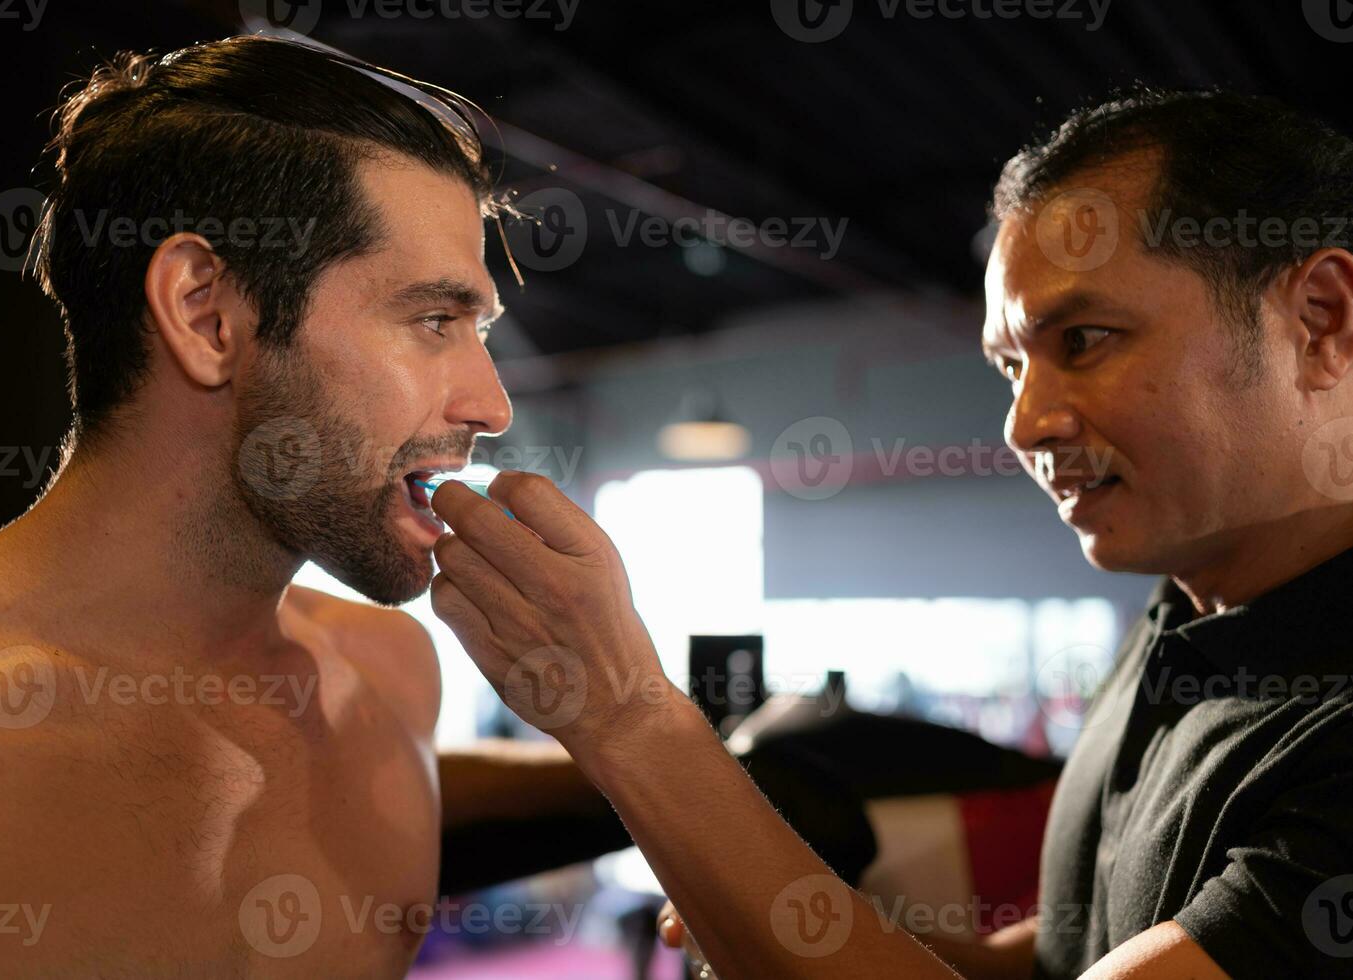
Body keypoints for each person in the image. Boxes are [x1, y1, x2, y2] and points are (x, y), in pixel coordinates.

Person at [428, 88, 1353, 978]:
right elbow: (1061, 961)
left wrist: (631, 717)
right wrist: (781, 917)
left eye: (1084, 340)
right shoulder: (1181, 619)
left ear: (1320, 320)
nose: (1024, 425)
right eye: (1008, 366)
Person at [0, 34, 543, 976]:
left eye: (474, 330)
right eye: (434, 321)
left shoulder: (394, 674)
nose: (492, 404)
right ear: (206, 317)